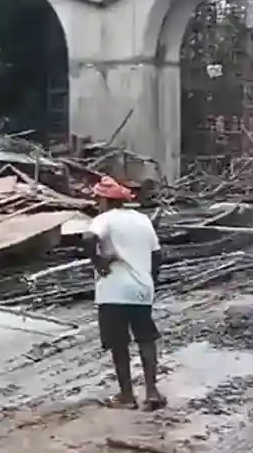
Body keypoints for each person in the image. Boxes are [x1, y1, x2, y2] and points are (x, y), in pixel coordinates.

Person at [83, 176, 166, 411]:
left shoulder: (103, 219)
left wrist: (98, 261)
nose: (96, 203)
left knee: (119, 343)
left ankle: (127, 396)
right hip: (141, 288)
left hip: (113, 290)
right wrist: (151, 281)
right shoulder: (143, 220)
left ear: (105, 200)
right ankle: (151, 391)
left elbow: (88, 238)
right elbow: (157, 254)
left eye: (97, 199)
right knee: (146, 338)